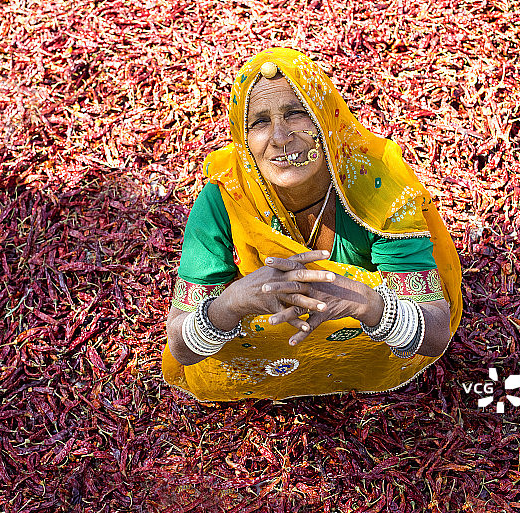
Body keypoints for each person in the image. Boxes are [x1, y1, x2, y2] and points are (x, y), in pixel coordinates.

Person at [163, 48, 462, 402]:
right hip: (268, 350)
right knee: (217, 320)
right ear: (243, 142)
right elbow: (182, 347)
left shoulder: (378, 190)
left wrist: (364, 303)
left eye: (296, 113)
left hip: (366, 349)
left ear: (325, 119)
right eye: (259, 121)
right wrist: (232, 304)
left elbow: (435, 332)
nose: (279, 136)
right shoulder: (225, 199)